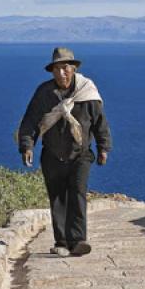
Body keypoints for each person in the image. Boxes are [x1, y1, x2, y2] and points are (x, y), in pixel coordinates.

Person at [16, 47, 112, 257]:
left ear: (73, 68)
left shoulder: (87, 93)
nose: (61, 73)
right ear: (52, 72)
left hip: (80, 154)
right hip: (52, 155)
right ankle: (61, 242)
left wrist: (103, 147)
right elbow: (30, 121)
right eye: (57, 69)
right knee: (57, 198)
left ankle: (78, 240)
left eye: (65, 68)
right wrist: (27, 146)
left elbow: (99, 123)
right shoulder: (44, 94)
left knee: (77, 193)